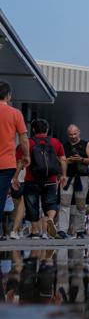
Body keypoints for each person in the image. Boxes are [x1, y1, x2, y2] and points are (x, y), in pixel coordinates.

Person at [23, 119, 66, 239]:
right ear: (47, 129)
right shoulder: (56, 142)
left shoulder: (28, 142)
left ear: (33, 129)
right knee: (51, 202)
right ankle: (50, 220)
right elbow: (63, 159)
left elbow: (21, 161)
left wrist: (15, 176)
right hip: (51, 179)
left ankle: (35, 231)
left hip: (32, 179)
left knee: (32, 205)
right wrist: (63, 175)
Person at [0, 81, 29, 240]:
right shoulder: (15, 113)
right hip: (6, 163)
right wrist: (26, 156)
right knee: (1, 196)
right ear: (8, 96)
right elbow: (24, 138)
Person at [58, 124, 89, 238]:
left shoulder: (86, 144)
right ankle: (62, 230)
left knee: (80, 204)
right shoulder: (64, 145)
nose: (73, 136)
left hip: (82, 177)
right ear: (67, 134)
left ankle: (79, 230)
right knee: (64, 202)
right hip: (67, 177)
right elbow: (60, 161)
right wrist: (68, 161)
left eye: (75, 134)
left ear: (79, 132)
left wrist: (81, 159)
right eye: (70, 134)